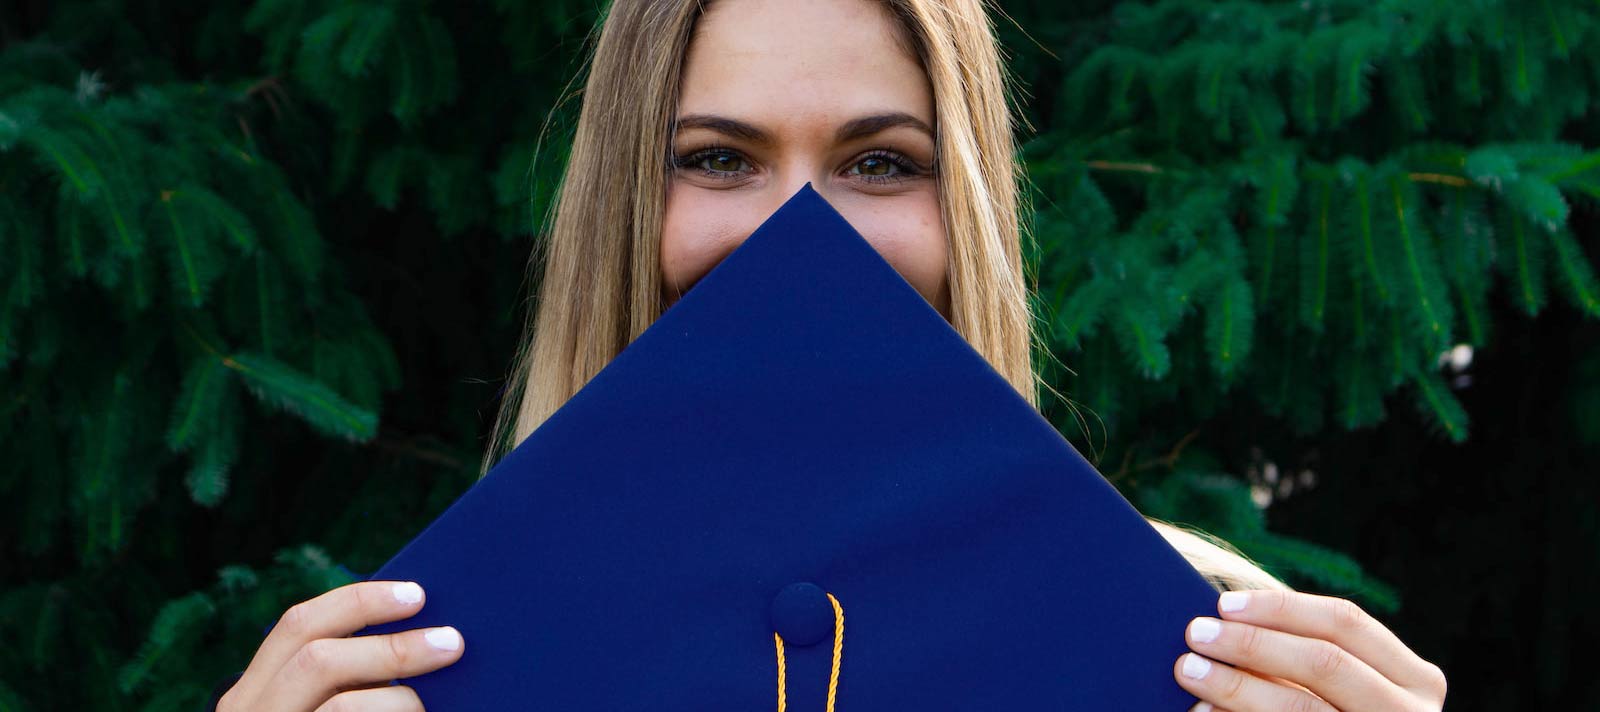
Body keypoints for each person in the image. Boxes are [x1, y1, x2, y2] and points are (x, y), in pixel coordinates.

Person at [212, 0, 1449, 710]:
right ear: (619, 215)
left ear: (962, 210)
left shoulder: (1201, 652)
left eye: (878, 163)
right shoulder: (417, 666)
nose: (796, 235)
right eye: (716, 158)